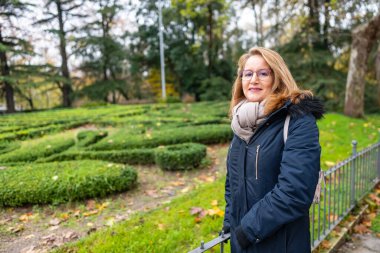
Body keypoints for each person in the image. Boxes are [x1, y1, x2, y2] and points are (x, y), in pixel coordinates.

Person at [223, 47, 324, 253]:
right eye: (247, 74)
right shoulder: (242, 124)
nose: (253, 80)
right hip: (244, 242)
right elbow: (231, 185)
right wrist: (229, 225)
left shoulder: (297, 121)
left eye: (263, 73)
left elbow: (295, 191)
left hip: (282, 244)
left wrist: (246, 231)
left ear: (277, 77)